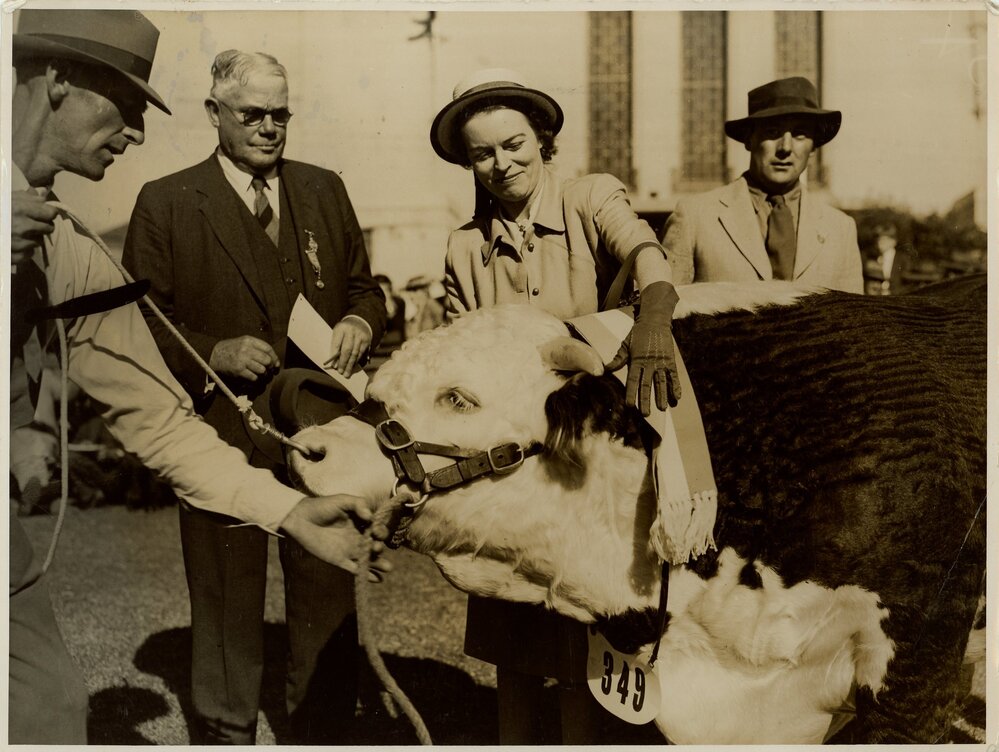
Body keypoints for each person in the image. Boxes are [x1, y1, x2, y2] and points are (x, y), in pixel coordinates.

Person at [9, 10, 386, 744]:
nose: (139, 135)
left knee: (47, 704)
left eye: (282, 114)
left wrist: (288, 512)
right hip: (222, 414)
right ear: (56, 80)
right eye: (124, 105)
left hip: (300, 430)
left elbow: (152, 415)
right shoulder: (161, 202)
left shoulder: (71, 247)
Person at [121, 50, 387, 744]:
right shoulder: (167, 199)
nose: (269, 128)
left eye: (280, 114)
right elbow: (143, 317)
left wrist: (361, 318)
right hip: (221, 431)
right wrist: (212, 351)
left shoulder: (324, 188)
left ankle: (323, 728)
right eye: (252, 114)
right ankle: (225, 726)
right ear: (214, 114)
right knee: (224, 589)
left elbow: (365, 288)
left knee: (328, 583)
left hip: (321, 428)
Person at [432, 68, 679, 744]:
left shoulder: (588, 198)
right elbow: (459, 351)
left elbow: (643, 250)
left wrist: (654, 307)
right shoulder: (463, 245)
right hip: (509, 461)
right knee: (511, 631)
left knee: (580, 632)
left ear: (543, 143)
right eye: (481, 153)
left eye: (513, 145)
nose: (500, 163)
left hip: (589, 452)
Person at [662, 76, 863, 293]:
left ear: (813, 147)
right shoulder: (695, 217)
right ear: (750, 140)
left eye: (799, 134)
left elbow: (855, 322)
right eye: (772, 132)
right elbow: (660, 312)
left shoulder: (840, 229)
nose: (785, 148)